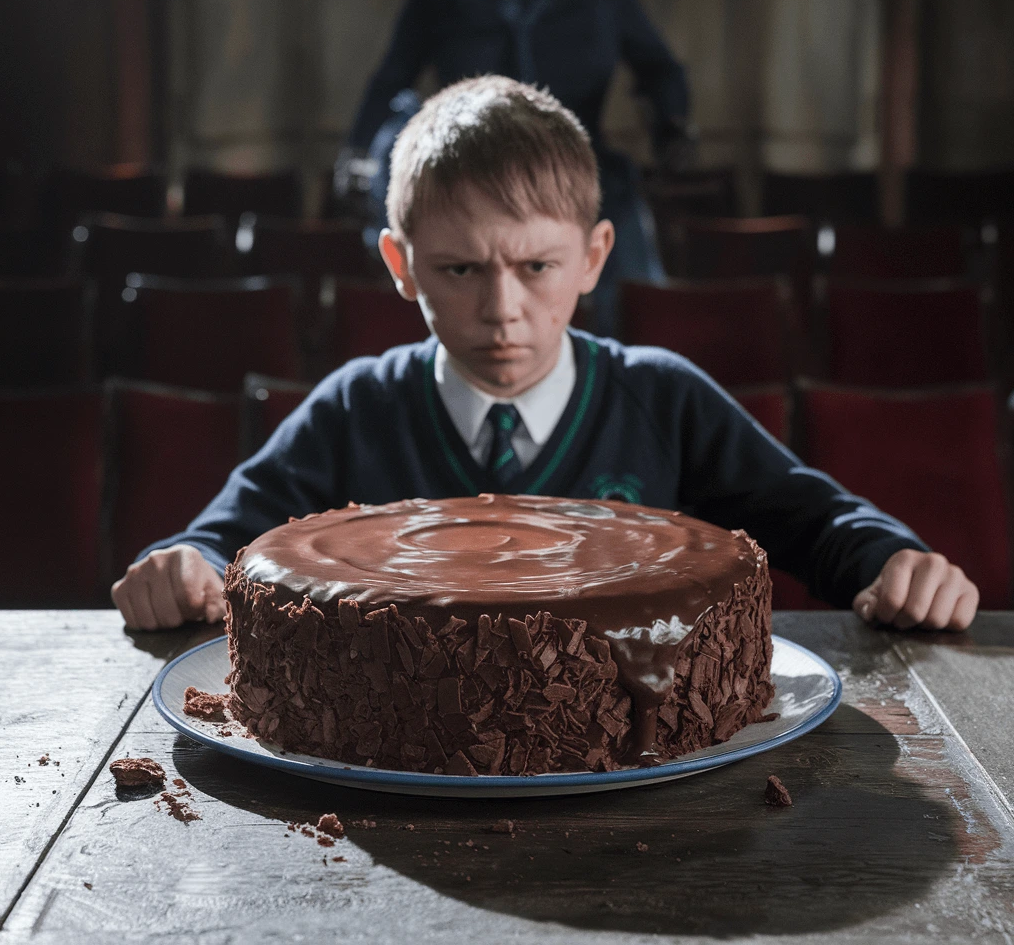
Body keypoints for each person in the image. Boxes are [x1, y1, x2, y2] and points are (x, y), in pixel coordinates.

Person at [113, 76, 980, 635]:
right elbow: (220, 543)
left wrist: (897, 564)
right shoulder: (354, 407)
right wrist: (184, 569)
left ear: (595, 257)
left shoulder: (663, 398)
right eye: (459, 269)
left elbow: (823, 525)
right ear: (400, 266)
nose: (502, 309)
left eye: (537, 267)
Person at [339, 0, 689, 334]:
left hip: (581, 172)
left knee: (637, 299)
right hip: (473, 183)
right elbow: (391, 78)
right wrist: (359, 152)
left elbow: (658, 68)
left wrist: (672, 122)